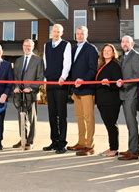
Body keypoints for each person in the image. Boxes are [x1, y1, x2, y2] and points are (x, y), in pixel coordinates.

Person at [67, 26, 99, 156]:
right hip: (76, 90)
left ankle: (89, 145)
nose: (79, 36)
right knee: (79, 117)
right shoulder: (73, 49)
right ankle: (81, 142)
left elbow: (93, 69)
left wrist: (83, 80)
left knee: (88, 118)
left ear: (86, 34)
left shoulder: (91, 49)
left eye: (82, 34)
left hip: (86, 89)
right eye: (77, 34)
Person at [42, 24, 72, 154]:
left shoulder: (66, 45)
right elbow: (45, 62)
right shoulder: (46, 45)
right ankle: (54, 141)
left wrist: (63, 77)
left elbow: (67, 62)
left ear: (62, 32)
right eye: (54, 31)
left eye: (58, 31)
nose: (56, 33)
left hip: (60, 83)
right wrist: (44, 78)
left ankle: (62, 143)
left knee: (61, 114)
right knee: (52, 114)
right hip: (49, 82)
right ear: (51, 32)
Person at [12, 39, 44, 150]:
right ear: (22, 46)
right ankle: (23, 139)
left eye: (29, 46)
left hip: (32, 94)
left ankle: (30, 141)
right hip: (19, 94)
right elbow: (15, 76)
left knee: (32, 118)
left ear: (33, 46)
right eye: (25, 46)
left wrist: (31, 88)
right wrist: (16, 87)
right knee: (21, 118)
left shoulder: (38, 60)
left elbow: (40, 78)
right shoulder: (18, 60)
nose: (27, 48)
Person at [116, 35, 139, 160]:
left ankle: (134, 151)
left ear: (132, 44)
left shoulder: (136, 56)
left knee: (131, 123)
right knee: (128, 123)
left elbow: (137, 76)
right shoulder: (122, 57)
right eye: (123, 41)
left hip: (131, 95)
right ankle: (131, 148)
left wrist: (124, 83)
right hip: (122, 94)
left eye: (127, 41)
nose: (125, 43)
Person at [96, 44, 123, 157]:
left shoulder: (114, 65)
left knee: (111, 125)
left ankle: (114, 149)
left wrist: (108, 84)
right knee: (108, 125)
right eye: (105, 50)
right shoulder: (102, 65)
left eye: (109, 50)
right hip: (102, 100)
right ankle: (111, 147)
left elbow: (118, 84)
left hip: (111, 101)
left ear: (113, 53)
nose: (106, 52)